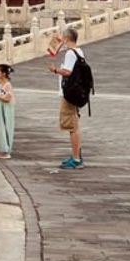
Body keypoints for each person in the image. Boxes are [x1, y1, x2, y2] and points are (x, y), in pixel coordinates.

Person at [49, 27, 85, 169]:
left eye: (64, 38)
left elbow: (67, 72)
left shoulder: (70, 53)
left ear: (67, 39)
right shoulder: (78, 51)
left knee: (72, 126)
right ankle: (77, 156)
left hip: (69, 94)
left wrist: (55, 70)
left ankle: (76, 159)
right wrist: (60, 41)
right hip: (76, 93)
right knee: (74, 125)